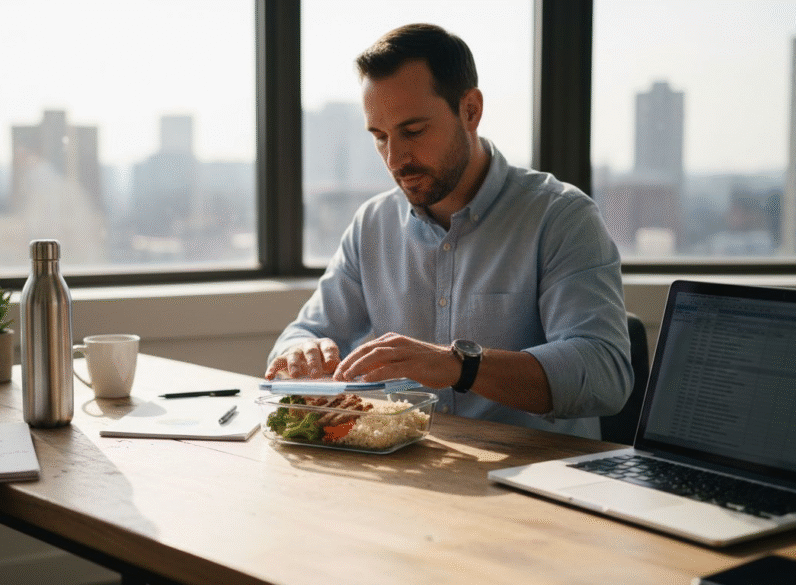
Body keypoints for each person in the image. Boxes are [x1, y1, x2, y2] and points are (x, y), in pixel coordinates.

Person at [264, 23, 633, 439]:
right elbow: (303, 335)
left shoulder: (561, 217)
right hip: (415, 465)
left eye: (413, 131)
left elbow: (606, 375)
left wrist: (461, 366)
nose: (395, 158)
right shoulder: (372, 225)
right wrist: (300, 352)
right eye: (380, 137)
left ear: (470, 110)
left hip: (536, 471)